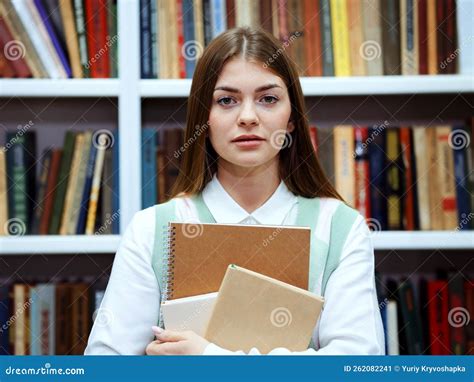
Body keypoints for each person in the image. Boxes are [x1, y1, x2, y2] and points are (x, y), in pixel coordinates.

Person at [85, 27, 385, 356]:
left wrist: (208, 357)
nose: (247, 117)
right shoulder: (151, 230)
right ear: (204, 118)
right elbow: (106, 364)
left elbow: (356, 365)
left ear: (292, 120)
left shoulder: (341, 229)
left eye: (268, 99)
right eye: (226, 100)